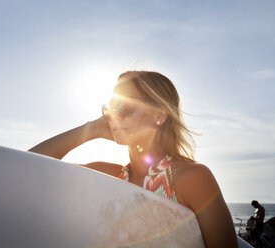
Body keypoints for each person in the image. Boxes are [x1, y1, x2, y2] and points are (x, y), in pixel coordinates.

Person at [29, 71, 238, 247]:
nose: (113, 117)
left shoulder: (192, 178)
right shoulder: (110, 176)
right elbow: (29, 168)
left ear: (159, 115)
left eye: (124, 108)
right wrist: (90, 129)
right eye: (109, 109)